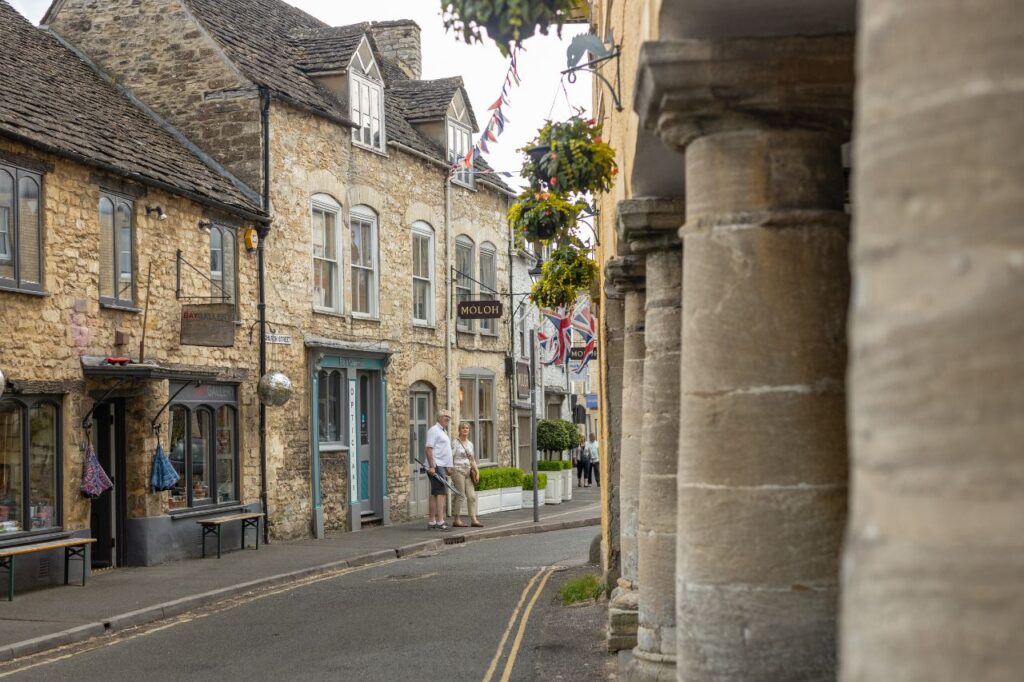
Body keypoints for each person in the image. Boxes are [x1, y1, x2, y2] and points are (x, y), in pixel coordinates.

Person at [424, 409, 453, 530]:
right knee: (441, 493)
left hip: (441, 465)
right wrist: (432, 466)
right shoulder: (434, 430)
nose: (448, 419)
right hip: (436, 465)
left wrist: (448, 467)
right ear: (440, 417)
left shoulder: (442, 431)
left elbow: (443, 451)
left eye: (449, 417)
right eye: (446, 416)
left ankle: (432, 521)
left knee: (436, 493)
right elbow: (428, 448)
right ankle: (440, 521)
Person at [450, 422, 482, 528]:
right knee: (460, 495)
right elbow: (451, 457)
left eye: (467, 428)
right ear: (459, 430)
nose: (465, 430)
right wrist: (449, 469)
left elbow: (472, 459)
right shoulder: (455, 443)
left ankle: (473, 519)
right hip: (458, 470)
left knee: (472, 496)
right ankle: (456, 519)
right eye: (463, 428)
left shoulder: (470, 444)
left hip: (468, 471)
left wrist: (477, 471)